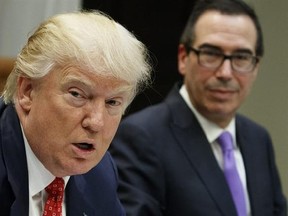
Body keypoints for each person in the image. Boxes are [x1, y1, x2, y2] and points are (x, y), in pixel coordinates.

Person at [109, 0, 287, 215]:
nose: (225, 73)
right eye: (211, 54)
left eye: (241, 57)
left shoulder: (258, 139)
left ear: (256, 66)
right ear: (183, 58)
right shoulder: (141, 137)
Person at [0, 10, 151, 216]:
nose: (96, 122)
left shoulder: (100, 174)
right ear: (28, 91)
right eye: (77, 94)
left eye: (112, 102)